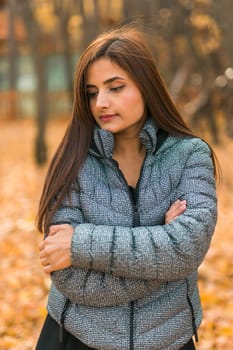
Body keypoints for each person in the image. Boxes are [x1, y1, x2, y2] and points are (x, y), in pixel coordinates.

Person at [35, 24, 218, 350]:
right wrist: (164, 256)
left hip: (169, 340)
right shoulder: (75, 159)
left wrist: (80, 244)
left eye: (115, 88)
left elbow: (187, 249)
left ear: (147, 86)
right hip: (75, 338)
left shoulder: (190, 155)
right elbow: (71, 278)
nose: (101, 102)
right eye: (92, 92)